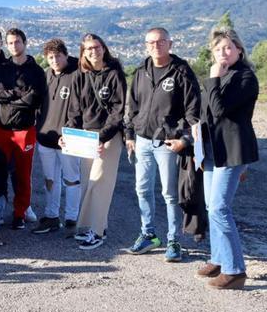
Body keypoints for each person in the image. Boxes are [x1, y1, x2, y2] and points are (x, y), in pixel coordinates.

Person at [125, 27, 201, 261]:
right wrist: (129, 135)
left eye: (160, 42)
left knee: (169, 193)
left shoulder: (181, 71)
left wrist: (184, 140)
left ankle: (173, 240)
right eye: (150, 43)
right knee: (142, 189)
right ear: (146, 45)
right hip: (142, 140)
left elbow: (194, 111)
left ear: (170, 43)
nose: (155, 46)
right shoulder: (141, 70)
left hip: (168, 143)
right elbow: (132, 106)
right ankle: (148, 234)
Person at [196, 28, 258, 290]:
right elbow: (205, 112)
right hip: (212, 149)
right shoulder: (223, 76)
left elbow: (220, 110)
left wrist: (212, 80)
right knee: (212, 206)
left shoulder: (244, 77)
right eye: (218, 48)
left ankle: (235, 270)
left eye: (229, 48)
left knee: (220, 208)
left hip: (232, 150)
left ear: (239, 51)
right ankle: (219, 258)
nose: (223, 52)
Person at [62, 34, 126, 250]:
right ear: (83, 52)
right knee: (89, 183)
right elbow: (74, 110)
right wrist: (69, 135)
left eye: (96, 47)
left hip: (108, 136)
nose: (93, 51)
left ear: (104, 48)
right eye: (88, 48)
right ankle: (98, 226)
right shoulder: (80, 75)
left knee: (100, 183)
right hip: (86, 136)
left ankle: (96, 232)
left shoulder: (114, 74)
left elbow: (118, 112)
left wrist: (103, 137)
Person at [0, 28, 46, 229]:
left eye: (17, 42)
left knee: (23, 175)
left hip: (25, 130)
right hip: (2, 129)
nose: (14, 46)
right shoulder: (2, 68)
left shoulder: (36, 71)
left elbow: (33, 99)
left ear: (25, 43)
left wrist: (9, 97)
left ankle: (20, 213)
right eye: (10, 43)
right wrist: (18, 94)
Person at [33, 39, 82, 236]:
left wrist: (69, 130)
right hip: (45, 137)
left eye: (58, 56)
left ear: (65, 54)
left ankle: (72, 218)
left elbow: (80, 108)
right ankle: (51, 216)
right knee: (50, 179)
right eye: (50, 57)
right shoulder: (46, 76)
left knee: (71, 179)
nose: (54, 61)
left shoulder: (77, 75)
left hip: (68, 139)